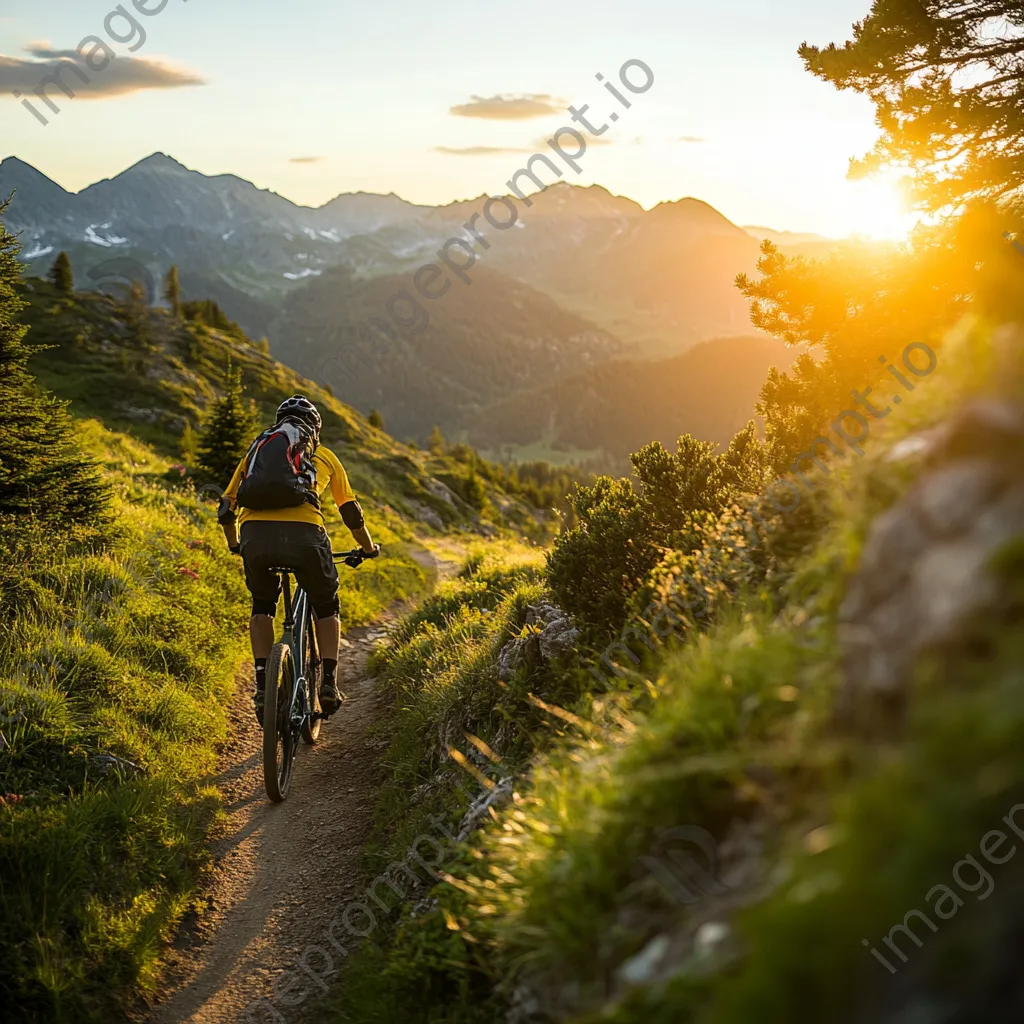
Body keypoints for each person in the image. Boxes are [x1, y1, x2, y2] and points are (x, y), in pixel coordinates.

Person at [217, 395, 378, 722]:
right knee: (326, 603)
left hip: (254, 536)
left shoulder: (257, 452)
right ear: (315, 429)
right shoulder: (325, 456)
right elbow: (350, 512)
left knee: (262, 606)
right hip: (306, 537)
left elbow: (226, 506)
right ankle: (329, 683)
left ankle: (264, 686)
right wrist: (368, 548)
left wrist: (235, 544)